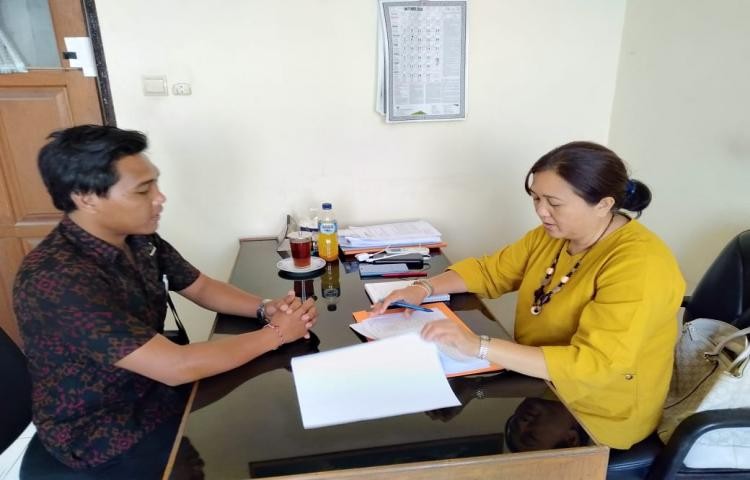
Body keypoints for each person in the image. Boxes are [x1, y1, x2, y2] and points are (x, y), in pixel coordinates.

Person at [13, 125, 318, 478]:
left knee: (268, 410)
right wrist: (276, 334)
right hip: (104, 432)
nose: (160, 198)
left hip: (155, 393)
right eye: (143, 190)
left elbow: (201, 287)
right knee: (260, 438)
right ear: (86, 197)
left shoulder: (137, 238)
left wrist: (265, 308)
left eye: (155, 184)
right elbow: (175, 366)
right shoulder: (56, 279)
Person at [374, 141, 685, 449]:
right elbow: (491, 271)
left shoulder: (639, 265)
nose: (541, 212)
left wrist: (477, 346)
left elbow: (594, 366)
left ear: (603, 204)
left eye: (554, 203)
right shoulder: (554, 236)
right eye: (536, 198)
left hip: (599, 408)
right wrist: (422, 288)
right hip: (546, 380)